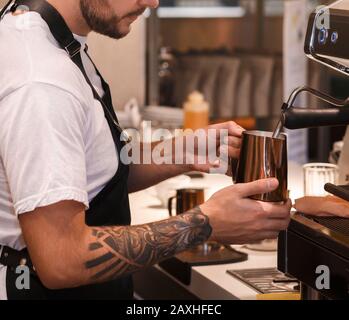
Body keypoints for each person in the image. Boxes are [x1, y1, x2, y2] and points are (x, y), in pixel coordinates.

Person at [0, 0, 291, 300]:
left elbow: (91, 171)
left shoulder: (48, 34)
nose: (151, 2)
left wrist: (183, 152)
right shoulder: (42, 82)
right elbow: (62, 258)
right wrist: (205, 224)